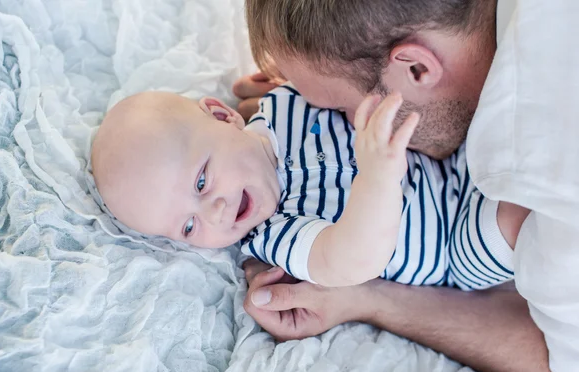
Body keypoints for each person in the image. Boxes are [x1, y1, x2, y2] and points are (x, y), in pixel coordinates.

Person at [234, 0, 579, 372]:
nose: (337, 124)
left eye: (339, 109)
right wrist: (320, 77)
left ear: (417, 68)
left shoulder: (541, 169)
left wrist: (369, 300)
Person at [90, 88, 524, 291]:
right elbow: (348, 262)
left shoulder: (284, 103)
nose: (215, 211)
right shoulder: (271, 235)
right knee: (519, 215)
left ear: (223, 117)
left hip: (452, 147)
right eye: (188, 226)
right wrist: (377, 178)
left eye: (201, 181)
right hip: (455, 239)